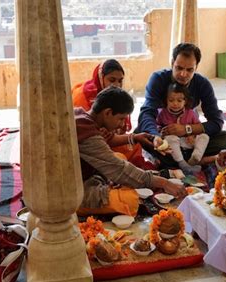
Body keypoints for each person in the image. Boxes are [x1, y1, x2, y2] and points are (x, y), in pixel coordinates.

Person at [74, 87, 187, 217]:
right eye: (121, 119)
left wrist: (136, 137)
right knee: (130, 201)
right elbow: (120, 170)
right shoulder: (87, 133)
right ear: (107, 113)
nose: (123, 125)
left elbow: (110, 140)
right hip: (74, 191)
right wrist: (164, 183)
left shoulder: (84, 116)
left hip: (88, 175)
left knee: (119, 156)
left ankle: (114, 184)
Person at [136, 43, 226, 168]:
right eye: (179, 68)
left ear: (196, 67)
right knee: (141, 134)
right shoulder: (158, 79)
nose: (183, 74)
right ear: (172, 63)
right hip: (165, 137)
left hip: (189, 139)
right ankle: (194, 159)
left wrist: (187, 129)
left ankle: (177, 160)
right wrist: (156, 137)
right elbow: (147, 113)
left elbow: (216, 122)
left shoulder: (202, 84)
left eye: (189, 70)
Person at [72, 59, 153, 169]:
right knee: (120, 160)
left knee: (134, 145)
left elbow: (111, 136)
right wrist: (160, 182)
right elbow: (120, 171)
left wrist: (134, 137)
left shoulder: (113, 100)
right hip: (95, 149)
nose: (117, 85)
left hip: (105, 141)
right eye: (112, 80)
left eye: (120, 81)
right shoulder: (82, 100)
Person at [156, 83, 210, 174]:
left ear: (185, 101)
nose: (175, 103)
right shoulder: (162, 113)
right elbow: (157, 126)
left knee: (205, 137)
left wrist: (192, 135)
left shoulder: (191, 113)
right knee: (171, 138)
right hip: (173, 146)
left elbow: (198, 127)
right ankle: (182, 163)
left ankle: (195, 157)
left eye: (179, 100)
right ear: (166, 100)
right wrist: (162, 133)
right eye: (171, 100)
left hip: (188, 142)